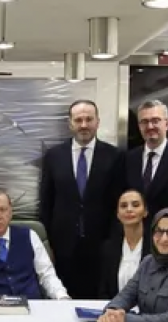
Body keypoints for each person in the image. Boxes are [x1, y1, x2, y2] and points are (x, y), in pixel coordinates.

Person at [38, 99, 123, 299]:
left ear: (97, 122)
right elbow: (46, 202)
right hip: (62, 248)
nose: (84, 125)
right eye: (78, 120)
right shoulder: (53, 156)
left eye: (89, 119)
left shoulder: (115, 156)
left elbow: (118, 203)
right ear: (70, 124)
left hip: (101, 248)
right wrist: (48, 243)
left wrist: (114, 242)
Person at [125, 100, 168, 219]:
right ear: (139, 126)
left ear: (167, 124)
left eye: (155, 121)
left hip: (167, 227)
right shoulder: (128, 159)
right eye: (144, 122)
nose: (150, 126)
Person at [98, 188, 149, 299]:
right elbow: (104, 291)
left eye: (135, 205)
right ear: (118, 214)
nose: (129, 209)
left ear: (145, 211)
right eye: (123, 206)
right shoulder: (109, 248)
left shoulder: (155, 247)